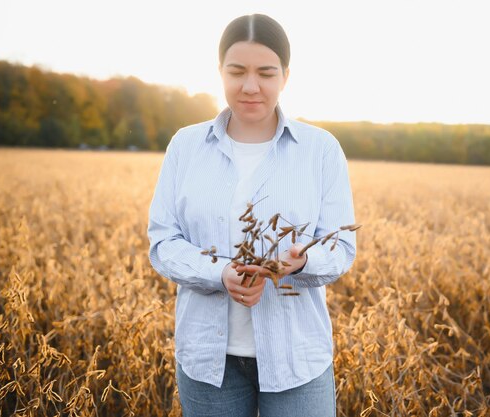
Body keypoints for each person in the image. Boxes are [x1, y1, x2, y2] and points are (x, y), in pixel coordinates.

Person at [147, 13, 356, 417]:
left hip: (298, 359)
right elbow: (164, 242)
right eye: (237, 71)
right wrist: (220, 273)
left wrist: (302, 262)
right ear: (219, 72)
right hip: (209, 361)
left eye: (266, 72)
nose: (250, 86)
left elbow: (341, 247)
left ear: (286, 76)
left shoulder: (320, 149)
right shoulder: (186, 146)